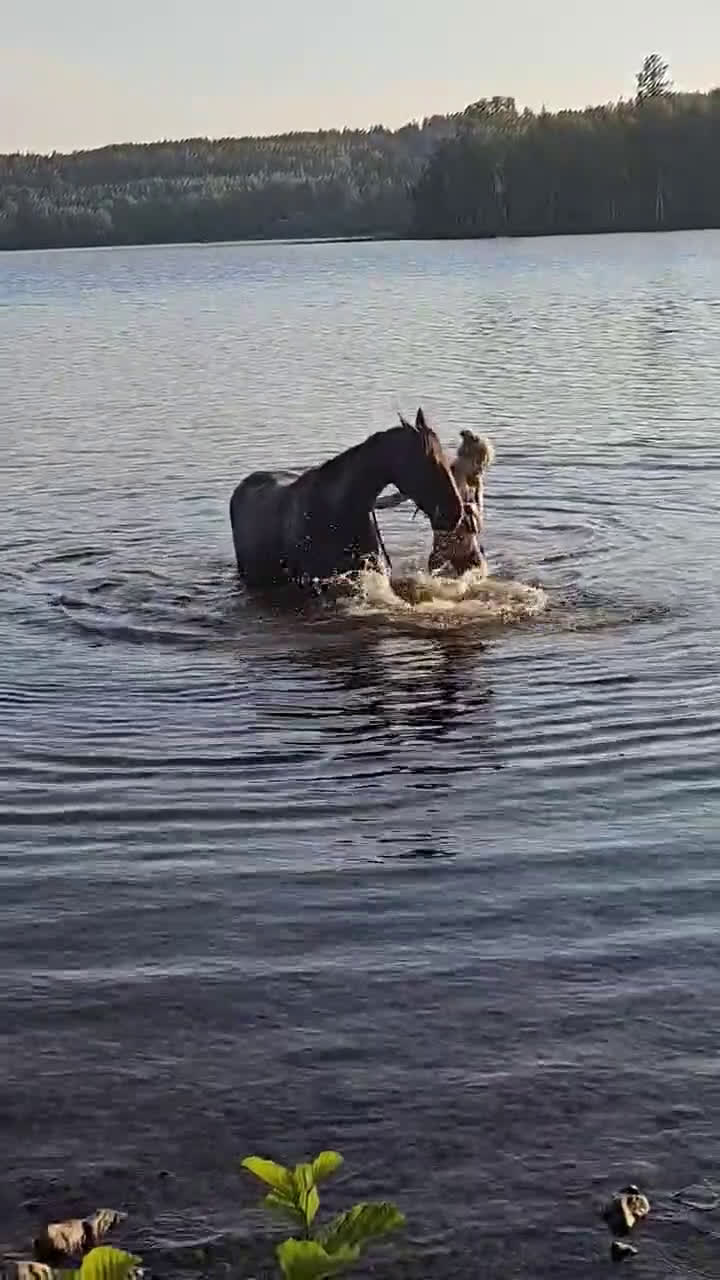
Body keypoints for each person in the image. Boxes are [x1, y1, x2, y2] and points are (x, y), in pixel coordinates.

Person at [376, 428, 495, 577]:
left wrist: (470, 510)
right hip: (442, 556)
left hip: (470, 554)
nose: (482, 470)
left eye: (485, 465)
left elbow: (480, 523)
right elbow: (401, 496)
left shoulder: (475, 483)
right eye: (480, 463)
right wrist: (373, 504)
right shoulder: (441, 480)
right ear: (465, 457)